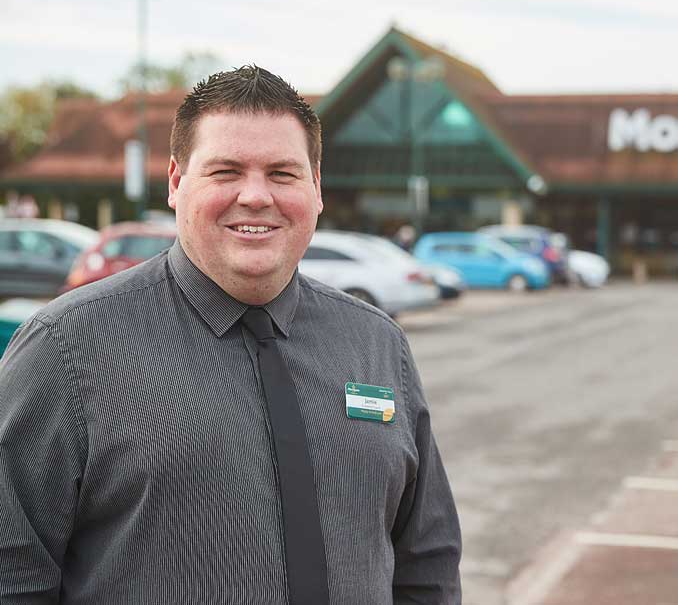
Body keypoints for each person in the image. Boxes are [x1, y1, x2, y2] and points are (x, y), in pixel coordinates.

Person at [0, 66, 462, 603]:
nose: (255, 196)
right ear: (176, 182)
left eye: (283, 173)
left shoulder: (378, 345)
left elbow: (426, 563)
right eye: (225, 171)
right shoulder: (65, 349)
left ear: (316, 188)